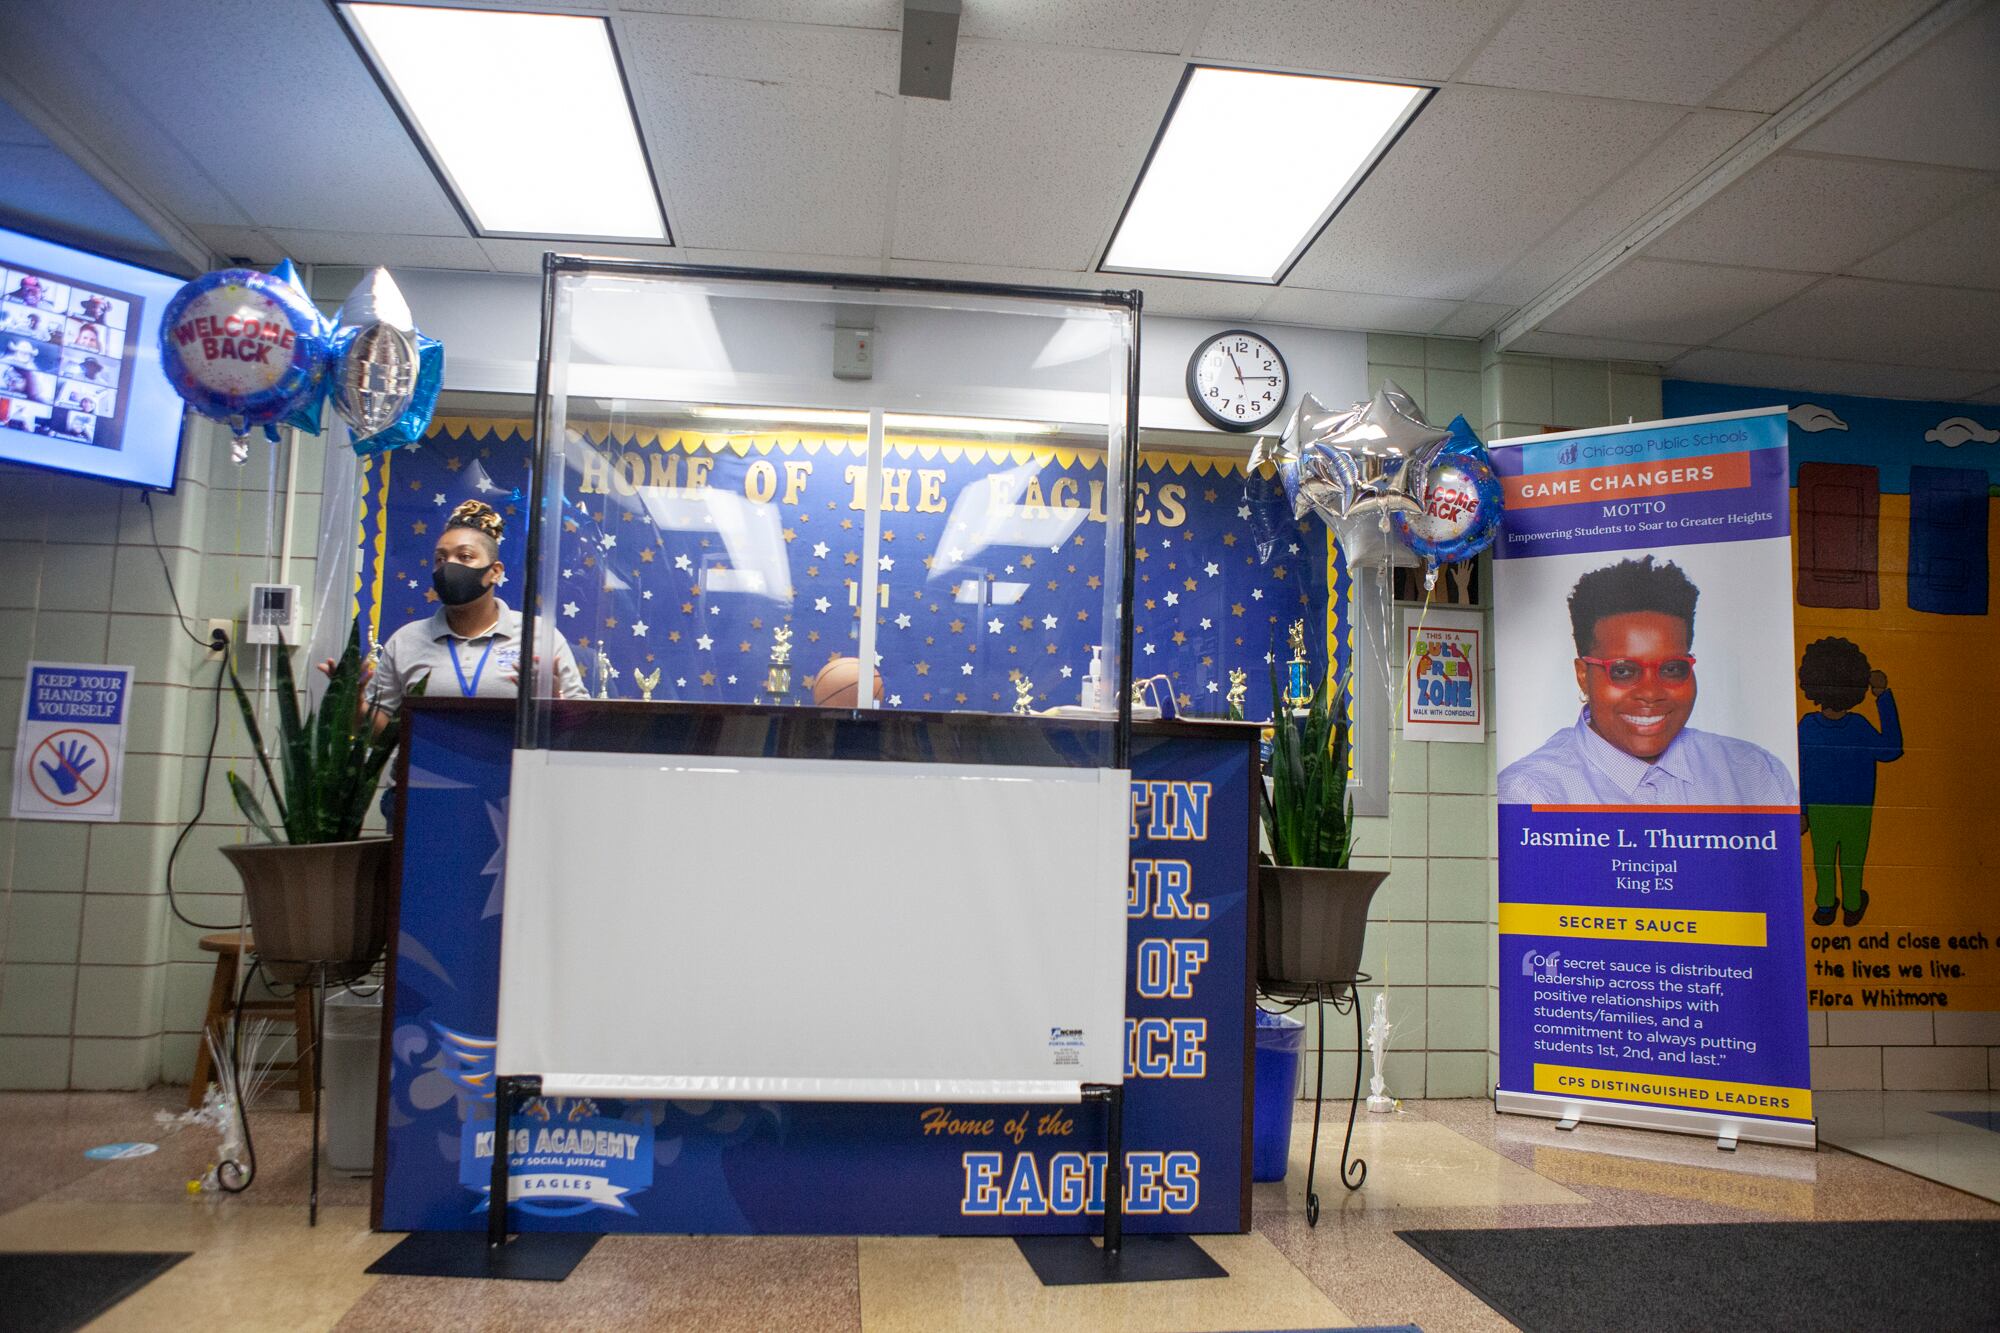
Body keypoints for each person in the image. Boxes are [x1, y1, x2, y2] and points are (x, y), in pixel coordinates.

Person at [1498, 555, 1797, 806]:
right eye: (1623, 671)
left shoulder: (1754, 774)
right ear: (1582, 676)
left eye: (1672, 669)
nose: (1651, 693)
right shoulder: (1532, 793)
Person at [337, 499, 589, 729]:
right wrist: (354, 705)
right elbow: (379, 731)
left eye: (465, 556)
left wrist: (555, 701)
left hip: (511, 766)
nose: (449, 566)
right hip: (424, 767)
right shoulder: (405, 641)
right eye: (440, 559)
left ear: (495, 572)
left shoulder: (538, 636)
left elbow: (582, 725)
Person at [1798, 637, 1902, 927]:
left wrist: (1802, 810)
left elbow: (1799, 770)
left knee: (1823, 858)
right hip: (1857, 807)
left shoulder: (1807, 726)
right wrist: (1882, 695)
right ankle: (1853, 904)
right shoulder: (1858, 727)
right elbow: (1891, 749)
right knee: (1853, 859)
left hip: (1820, 807)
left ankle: (1825, 906)